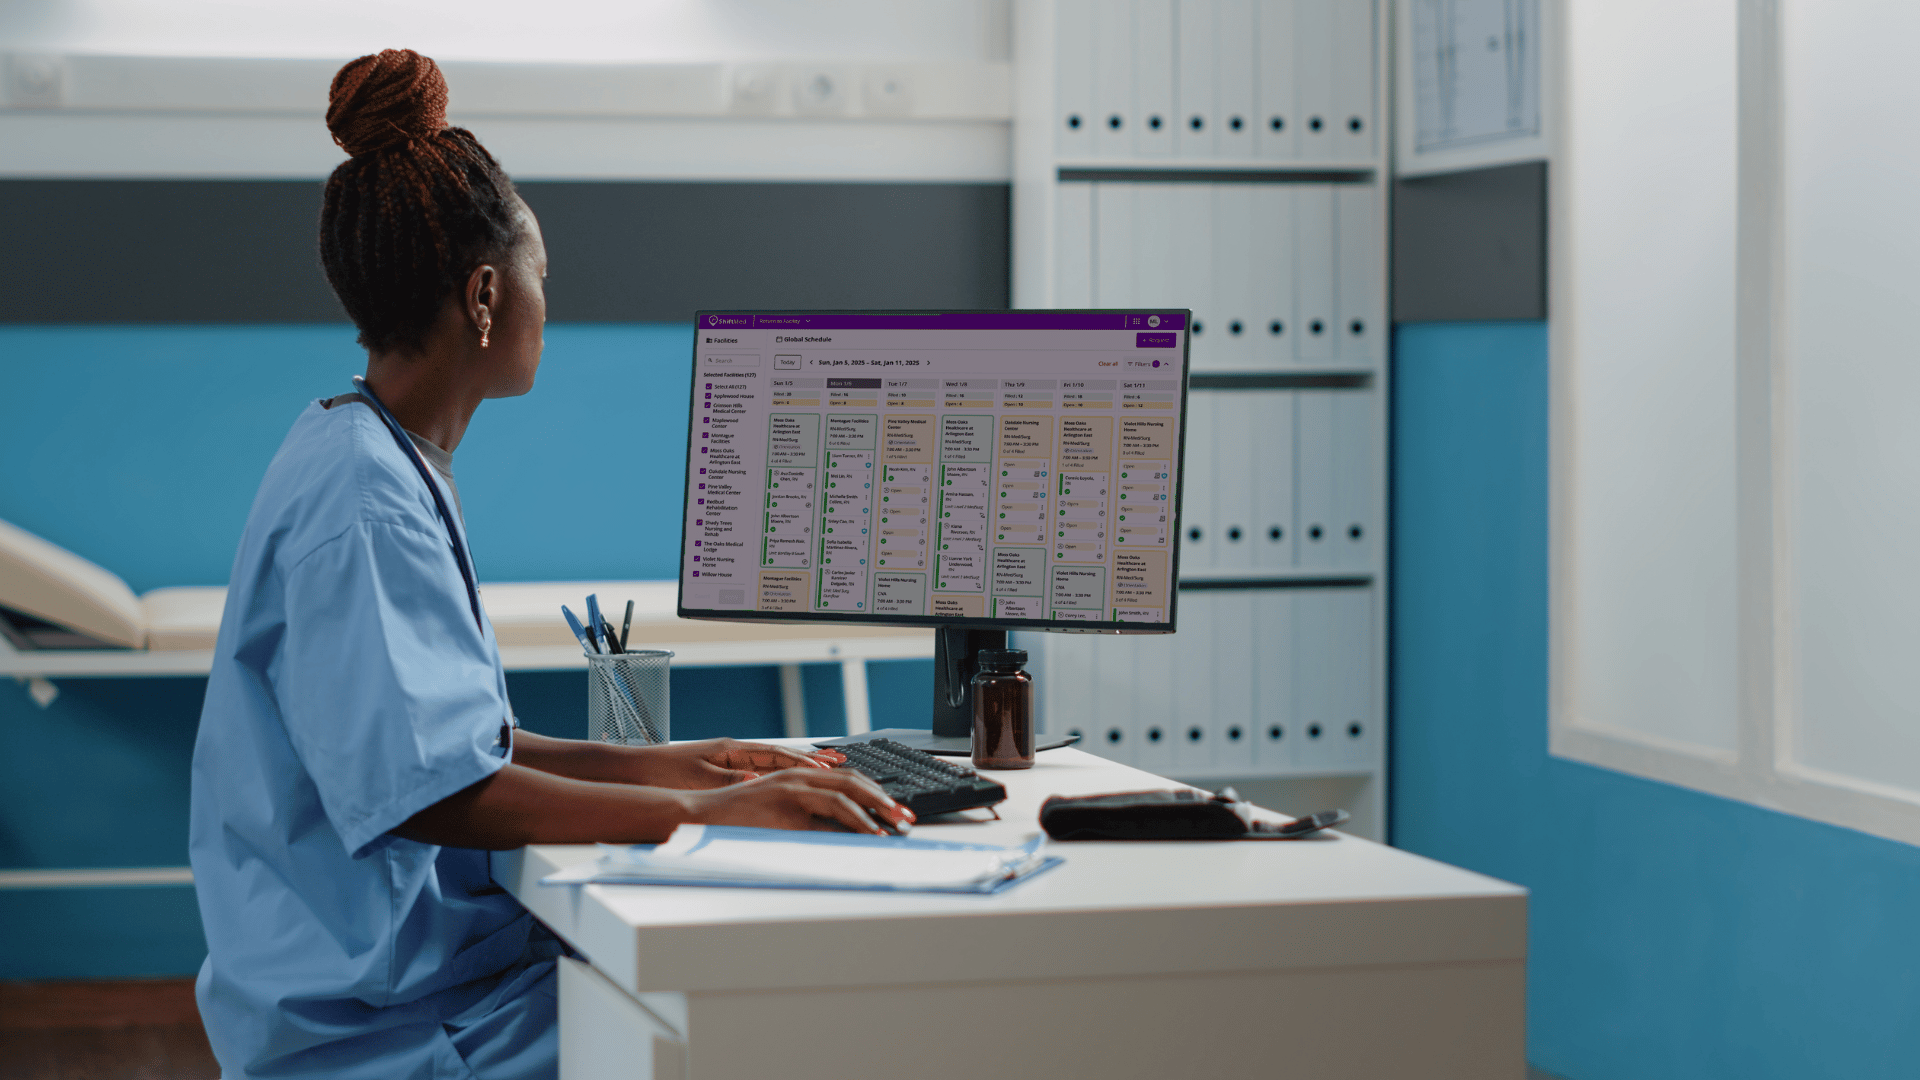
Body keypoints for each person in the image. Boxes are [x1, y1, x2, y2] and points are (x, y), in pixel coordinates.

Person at [187, 49, 912, 1080]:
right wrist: (702, 817)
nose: (546, 303)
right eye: (542, 276)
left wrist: (681, 760)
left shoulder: (364, 450)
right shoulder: (367, 502)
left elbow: (457, 747)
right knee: (777, 1026)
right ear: (485, 294)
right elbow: (434, 796)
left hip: (401, 985)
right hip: (385, 1031)